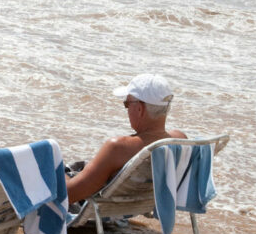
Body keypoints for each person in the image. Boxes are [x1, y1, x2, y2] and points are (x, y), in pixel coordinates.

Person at [66, 74, 186, 204]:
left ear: (140, 109)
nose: (127, 109)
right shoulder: (180, 141)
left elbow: (69, 195)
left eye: (127, 104)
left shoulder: (118, 148)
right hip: (129, 209)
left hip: (98, 211)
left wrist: (57, 173)